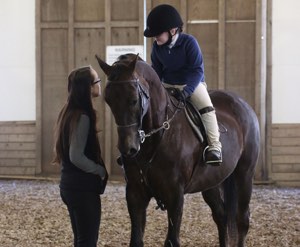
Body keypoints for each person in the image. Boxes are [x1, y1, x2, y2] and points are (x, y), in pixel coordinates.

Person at [144, 4, 222, 165]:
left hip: (192, 84)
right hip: (167, 85)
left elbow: (197, 70)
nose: (155, 38)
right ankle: (141, 146)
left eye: (158, 34)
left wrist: (186, 92)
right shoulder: (156, 47)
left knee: (207, 108)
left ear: (172, 31)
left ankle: (215, 146)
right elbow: (156, 71)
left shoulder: (189, 43)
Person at [53, 65, 108, 246]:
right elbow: (76, 156)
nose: (100, 84)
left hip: (69, 186)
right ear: (88, 88)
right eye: (97, 81)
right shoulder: (82, 116)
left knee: (81, 240)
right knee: (87, 242)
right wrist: (99, 170)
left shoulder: (68, 111)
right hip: (82, 189)